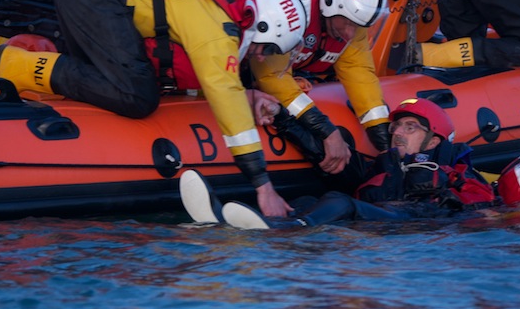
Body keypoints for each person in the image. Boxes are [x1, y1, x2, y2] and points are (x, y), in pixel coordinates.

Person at [0, 0, 308, 218]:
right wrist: (263, 186)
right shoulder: (218, 27)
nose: (263, 57)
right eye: (267, 48)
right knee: (136, 95)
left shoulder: (228, 4)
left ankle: (34, 77)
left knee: (114, 78)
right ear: (262, 25)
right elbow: (223, 90)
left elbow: (207, 74)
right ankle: (18, 64)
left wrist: (249, 96)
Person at [181, 98, 496, 229]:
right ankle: (235, 222)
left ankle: (286, 230)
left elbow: (482, 201)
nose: (398, 132)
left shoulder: (455, 168)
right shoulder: (382, 165)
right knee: (306, 199)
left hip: (415, 225)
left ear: (434, 140)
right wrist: (282, 118)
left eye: (410, 127)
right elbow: (329, 157)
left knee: (339, 201)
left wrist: (446, 196)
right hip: (380, 222)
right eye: (396, 127)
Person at [239, 0, 392, 180]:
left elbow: (358, 72)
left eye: (356, 27)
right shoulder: (279, 2)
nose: (350, 34)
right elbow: (272, 77)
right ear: (330, 3)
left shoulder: (351, 12)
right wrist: (328, 132)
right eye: (348, 24)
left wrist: (385, 145)